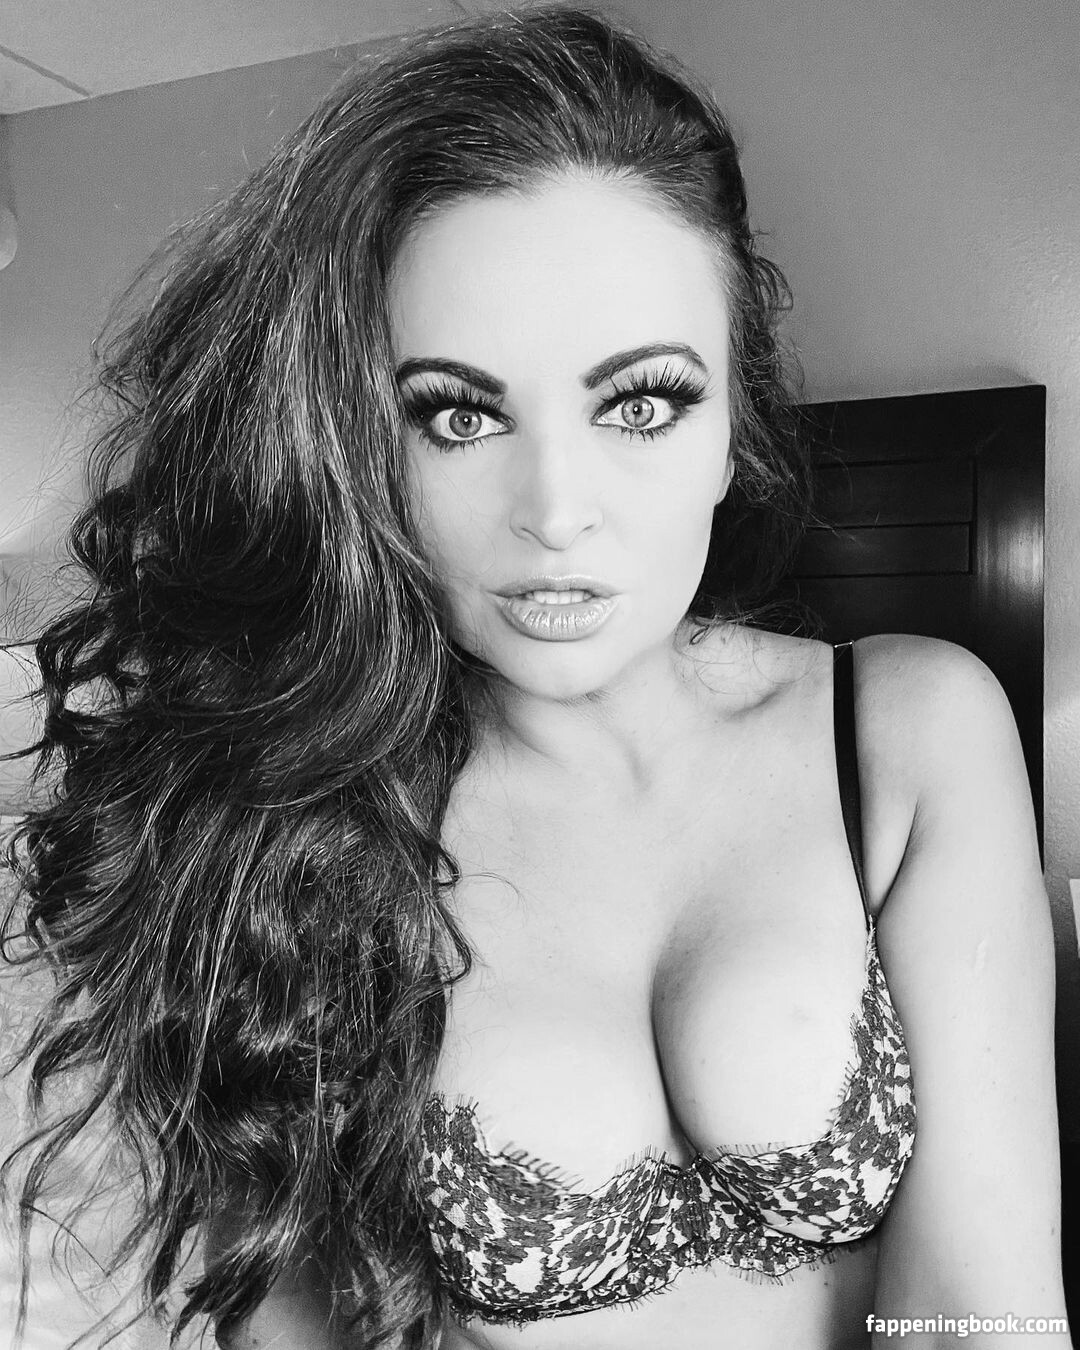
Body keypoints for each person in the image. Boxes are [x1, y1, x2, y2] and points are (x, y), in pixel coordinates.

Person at [0, 5, 1069, 1349]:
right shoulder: (290, 828)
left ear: (734, 420)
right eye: (459, 414)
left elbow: (985, 1305)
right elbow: (291, 1322)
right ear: (362, 454)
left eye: (641, 402)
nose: (556, 511)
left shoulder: (908, 732)